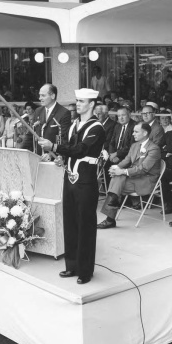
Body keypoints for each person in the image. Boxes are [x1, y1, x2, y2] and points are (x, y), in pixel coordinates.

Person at [38, 88, 105, 285]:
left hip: (85, 181)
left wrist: (55, 147)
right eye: (77, 100)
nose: (78, 104)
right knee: (70, 223)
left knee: (85, 225)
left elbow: (80, 149)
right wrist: (60, 157)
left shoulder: (96, 128)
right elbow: (69, 149)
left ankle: (85, 271)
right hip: (69, 178)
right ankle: (72, 265)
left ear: (92, 104)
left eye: (82, 101)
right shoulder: (74, 124)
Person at [97, 122, 161, 229]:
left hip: (146, 180)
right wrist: (115, 168)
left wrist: (122, 172)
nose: (133, 134)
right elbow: (126, 161)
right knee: (116, 179)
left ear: (145, 133)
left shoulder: (154, 148)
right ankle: (111, 214)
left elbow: (143, 169)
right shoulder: (134, 145)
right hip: (134, 177)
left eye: (136, 132)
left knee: (116, 182)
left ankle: (110, 218)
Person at [22, 83, 71, 157]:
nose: (40, 98)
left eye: (43, 95)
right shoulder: (38, 111)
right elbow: (31, 134)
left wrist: (51, 155)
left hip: (54, 160)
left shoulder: (64, 113)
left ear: (52, 96)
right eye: (39, 95)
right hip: (38, 157)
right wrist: (21, 151)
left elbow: (64, 139)